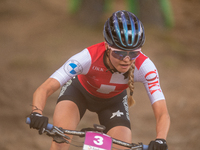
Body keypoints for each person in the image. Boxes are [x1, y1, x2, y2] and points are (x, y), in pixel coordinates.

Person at [29, 10, 170, 150]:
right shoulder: (87, 58)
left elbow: (162, 112)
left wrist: (161, 139)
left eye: (133, 53)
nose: (127, 59)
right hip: (79, 93)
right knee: (61, 140)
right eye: (120, 53)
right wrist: (37, 113)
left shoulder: (145, 67)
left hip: (113, 102)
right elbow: (45, 88)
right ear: (107, 46)